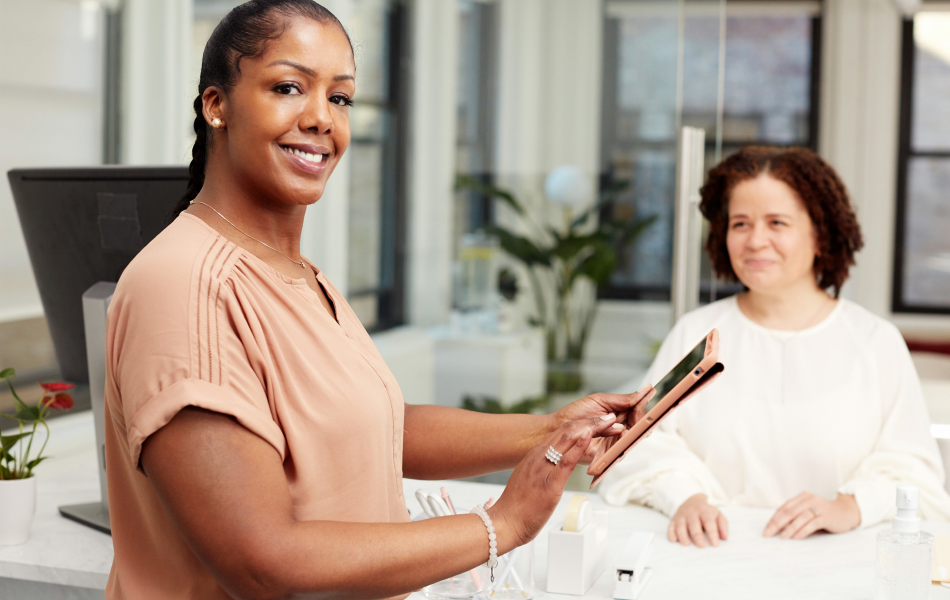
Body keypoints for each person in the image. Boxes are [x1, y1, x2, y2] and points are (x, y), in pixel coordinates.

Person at [102, 2, 651, 599]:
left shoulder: (296, 273)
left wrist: (552, 428)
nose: (320, 119)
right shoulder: (185, 286)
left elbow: (377, 428)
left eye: (339, 98)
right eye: (288, 87)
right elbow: (260, 560)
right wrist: (501, 525)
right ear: (217, 105)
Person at [600, 146, 950, 548]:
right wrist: (685, 497)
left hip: (838, 565)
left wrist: (851, 506)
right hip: (709, 557)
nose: (756, 241)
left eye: (777, 222)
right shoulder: (697, 334)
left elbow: (915, 472)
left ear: (820, 234)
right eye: (741, 223)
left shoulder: (874, 341)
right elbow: (641, 445)